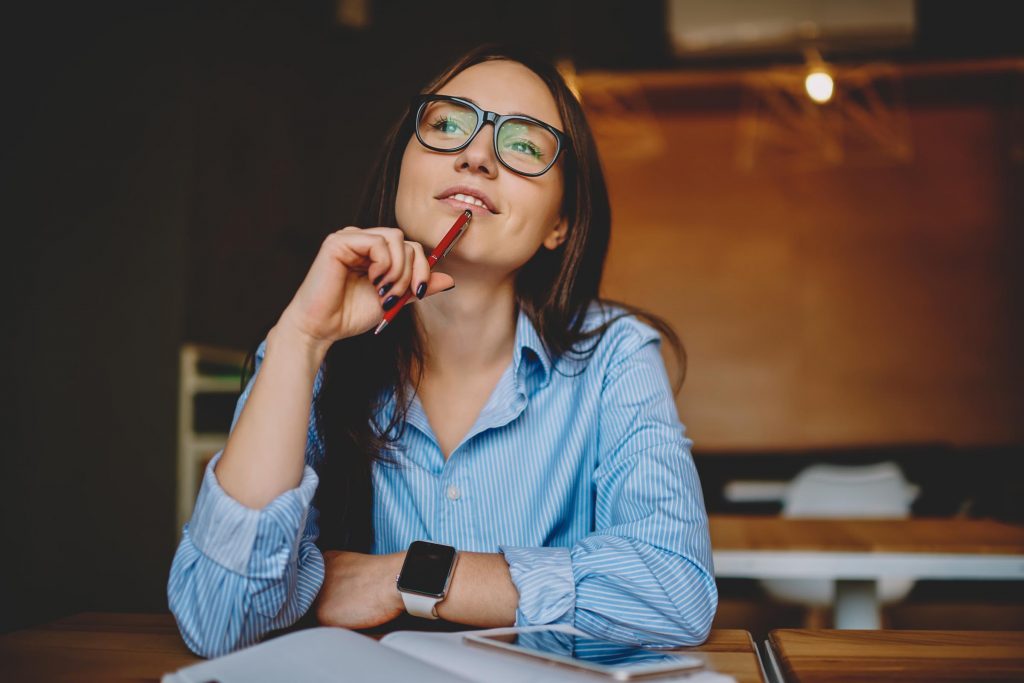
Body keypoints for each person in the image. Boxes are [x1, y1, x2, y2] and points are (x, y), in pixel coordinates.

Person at [168, 44, 717, 659]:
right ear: (402, 170)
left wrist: (410, 575)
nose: (477, 155)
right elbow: (217, 617)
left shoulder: (615, 355)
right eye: (448, 124)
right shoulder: (314, 343)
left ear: (560, 223)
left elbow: (674, 592)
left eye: (525, 146)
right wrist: (301, 340)